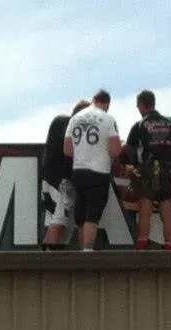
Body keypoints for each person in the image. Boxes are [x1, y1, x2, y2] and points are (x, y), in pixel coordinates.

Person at [121, 89, 171, 249]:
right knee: (167, 210)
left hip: (147, 171)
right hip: (167, 170)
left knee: (145, 209)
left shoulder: (139, 125)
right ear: (153, 103)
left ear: (142, 105)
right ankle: (170, 246)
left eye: (138, 106)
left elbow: (128, 150)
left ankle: (142, 245)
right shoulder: (170, 122)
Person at [63, 89, 121, 251]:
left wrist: (83, 151)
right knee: (92, 214)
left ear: (93, 100)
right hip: (99, 172)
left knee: (81, 214)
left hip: (78, 171)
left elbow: (67, 150)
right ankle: (87, 251)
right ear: (106, 104)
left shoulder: (75, 118)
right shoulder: (108, 119)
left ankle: (82, 249)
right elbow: (115, 150)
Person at [41, 99, 91, 250]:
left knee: (58, 219)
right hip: (61, 181)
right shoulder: (67, 124)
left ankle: (48, 254)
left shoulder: (59, 122)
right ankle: (49, 254)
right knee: (61, 217)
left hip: (52, 179)